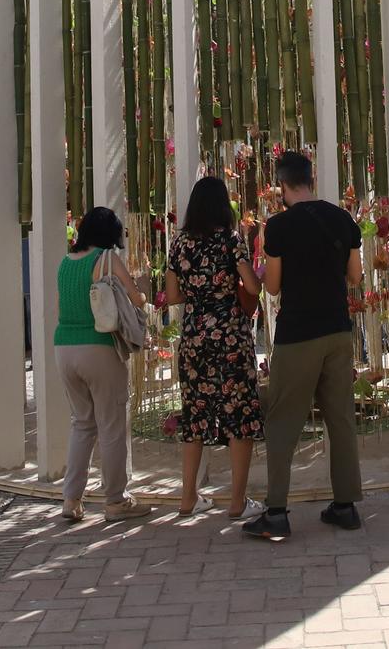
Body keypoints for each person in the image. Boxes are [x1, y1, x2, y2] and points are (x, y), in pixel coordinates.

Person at [244, 151, 364, 542]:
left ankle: (276, 511)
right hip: (338, 330)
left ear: (281, 185)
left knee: (283, 421)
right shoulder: (344, 219)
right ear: (311, 179)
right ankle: (345, 505)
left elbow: (274, 287)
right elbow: (356, 276)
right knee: (340, 418)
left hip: (298, 333)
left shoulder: (277, 228)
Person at [164, 177, 266, 521]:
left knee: (194, 415)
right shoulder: (230, 240)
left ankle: (187, 497)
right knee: (239, 415)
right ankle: (237, 502)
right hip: (230, 337)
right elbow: (253, 286)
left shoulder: (179, 244)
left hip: (194, 337)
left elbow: (173, 295)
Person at [54, 205, 153, 522]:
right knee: (111, 426)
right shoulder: (107, 259)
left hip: (64, 348)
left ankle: (71, 500)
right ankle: (115, 500)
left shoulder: (65, 263)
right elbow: (136, 298)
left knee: (82, 424)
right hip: (97, 347)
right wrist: (143, 286)